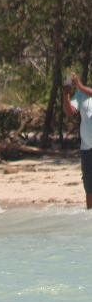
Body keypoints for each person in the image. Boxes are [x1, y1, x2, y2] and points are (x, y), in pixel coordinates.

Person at [62, 72, 92, 209]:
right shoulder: (80, 95)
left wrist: (79, 85)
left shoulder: (83, 90)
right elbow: (70, 112)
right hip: (87, 148)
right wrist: (66, 95)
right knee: (89, 187)